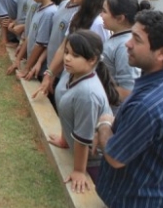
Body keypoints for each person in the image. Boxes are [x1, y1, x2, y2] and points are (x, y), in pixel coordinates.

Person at [95, 11, 163, 208]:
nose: (127, 44)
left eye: (136, 40)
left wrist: (105, 123)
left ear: (162, 53)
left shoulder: (148, 106)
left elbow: (114, 157)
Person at [48, 30, 116, 192]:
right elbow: (70, 115)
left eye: (75, 55)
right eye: (66, 52)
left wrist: (79, 170)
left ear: (92, 60)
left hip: (94, 163)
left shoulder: (87, 94)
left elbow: (83, 137)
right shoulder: (71, 72)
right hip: (80, 151)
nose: (67, 58)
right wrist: (65, 139)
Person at [101, 0, 149, 113]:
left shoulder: (124, 47)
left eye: (104, 11)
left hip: (113, 114)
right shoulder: (118, 38)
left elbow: (127, 90)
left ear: (120, 18)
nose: (101, 15)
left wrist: (94, 90)